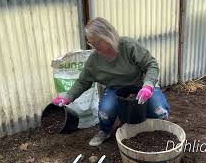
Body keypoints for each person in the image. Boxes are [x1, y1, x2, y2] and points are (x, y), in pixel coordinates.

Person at [52, 17, 170, 146]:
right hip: (116, 89)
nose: (94, 47)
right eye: (91, 43)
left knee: (159, 110)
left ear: (108, 35)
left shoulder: (127, 46)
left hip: (141, 86)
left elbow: (151, 64)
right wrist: (67, 98)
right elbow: (83, 82)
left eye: (97, 42)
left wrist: (148, 86)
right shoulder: (94, 60)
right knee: (105, 112)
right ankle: (105, 131)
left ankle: (161, 131)